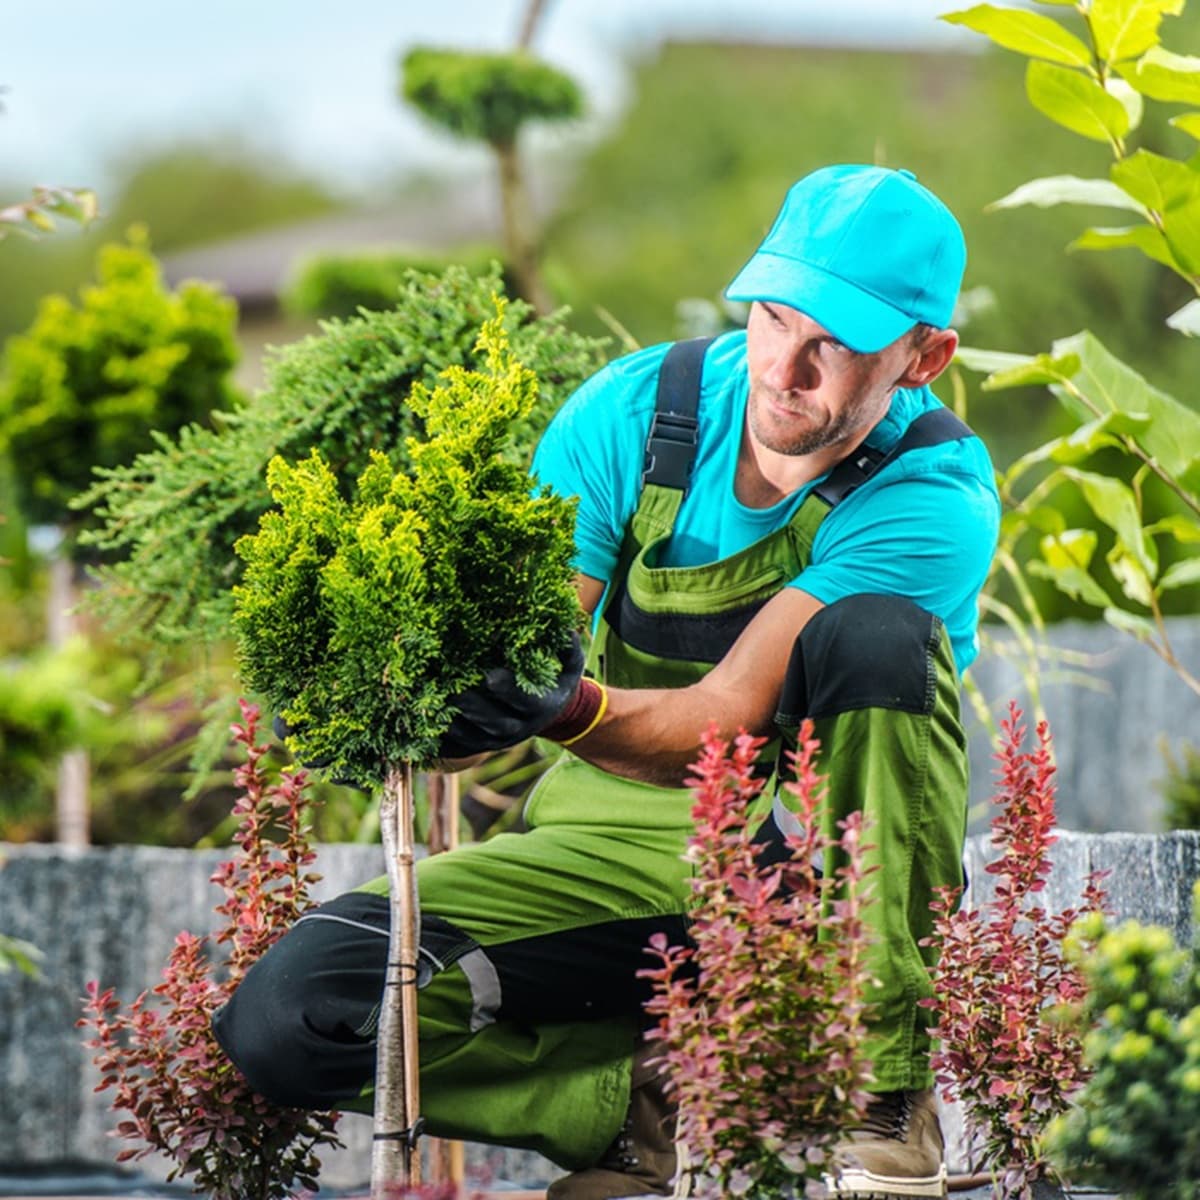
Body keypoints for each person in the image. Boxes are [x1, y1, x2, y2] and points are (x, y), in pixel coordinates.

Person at [213, 163, 1000, 1200]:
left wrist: (570, 706)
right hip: (600, 861)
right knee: (287, 1020)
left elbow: (717, 724)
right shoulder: (638, 415)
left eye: (836, 343)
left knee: (881, 637)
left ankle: (883, 1096)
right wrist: (422, 697)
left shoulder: (931, 492)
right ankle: (622, 1101)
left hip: (788, 890)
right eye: (771, 317)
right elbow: (531, 645)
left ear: (923, 355)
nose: (784, 370)